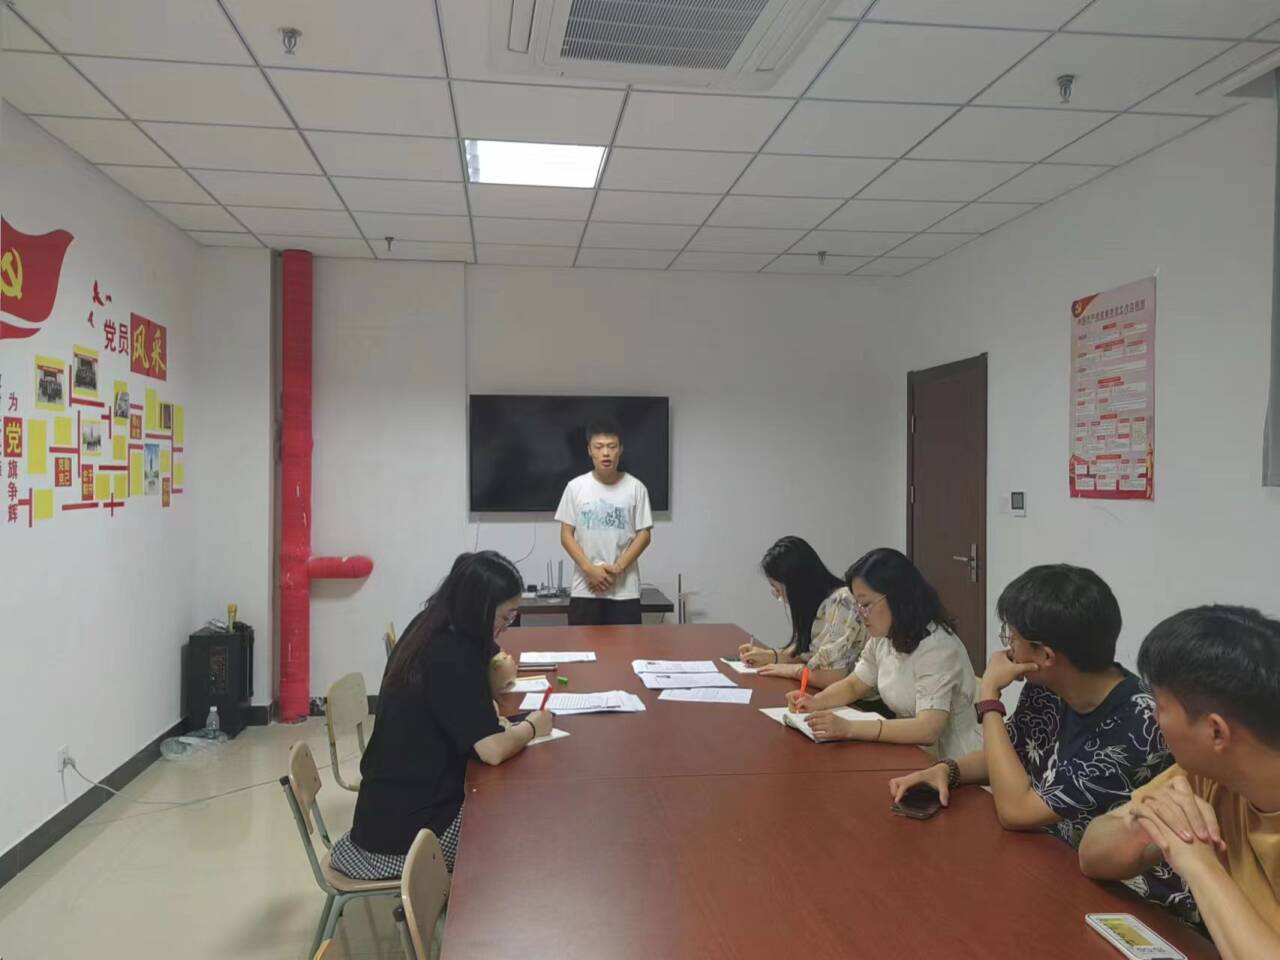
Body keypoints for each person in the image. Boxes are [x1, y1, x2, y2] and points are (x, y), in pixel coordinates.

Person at [886, 565, 1194, 920]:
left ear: (1046, 656)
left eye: (1012, 637)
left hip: (1132, 898)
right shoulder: (1048, 686)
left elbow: (1017, 812)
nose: (1007, 648)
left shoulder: (1138, 722)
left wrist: (989, 697)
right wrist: (948, 770)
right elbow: (1010, 755)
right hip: (1054, 858)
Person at [330, 551, 553, 879]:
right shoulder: (451, 654)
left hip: (386, 812)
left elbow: (485, 689)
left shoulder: (431, 624)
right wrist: (532, 727)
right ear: (480, 608)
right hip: (406, 838)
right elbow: (491, 750)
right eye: (505, 618)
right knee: (517, 820)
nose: (506, 627)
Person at [1079, 606, 1280, 958]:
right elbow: (1092, 855)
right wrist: (1150, 826)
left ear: (1215, 731)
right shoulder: (1209, 774)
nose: (1152, 716)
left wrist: (1198, 862)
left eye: (1161, 706)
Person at [787, 547, 982, 760]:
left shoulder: (938, 648)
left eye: (866, 605)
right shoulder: (884, 637)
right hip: (907, 751)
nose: (860, 615)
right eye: (857, 605)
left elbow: (928, 729)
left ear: (898, 598)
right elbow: (854, 685)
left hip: (957, 761)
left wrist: (850, 728)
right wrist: (816, 701)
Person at [555, 419, 653, 626]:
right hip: (585, 589)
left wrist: (618, 568)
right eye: (599, 447)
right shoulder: (575, 487)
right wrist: (590, 570)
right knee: (582, 646)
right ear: (589, 450)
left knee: (627, 646)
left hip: (625, 591)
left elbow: (644, 535)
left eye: (612, 446)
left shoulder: (636, 488)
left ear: (620, 449)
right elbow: (566, 535)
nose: (606, 453)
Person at [737, 536, 867, 690]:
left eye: (778, 589)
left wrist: (792, 670)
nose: (779, 596)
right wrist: (770, 656)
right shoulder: (818, 604)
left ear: (796, 585)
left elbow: (831, 677)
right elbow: (808, 653)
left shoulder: (842, 601)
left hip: (855, 699)